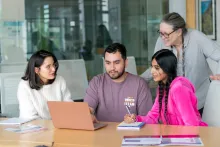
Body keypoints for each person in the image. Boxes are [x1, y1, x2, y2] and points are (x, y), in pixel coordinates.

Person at [141, 12, 220, 116]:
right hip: (172, 103)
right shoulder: (161, 41)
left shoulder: (196, 38)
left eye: (166, 34)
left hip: (198, 101)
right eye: (160, 33)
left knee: (197, 130)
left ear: (179, 31)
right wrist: (138, 80)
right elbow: (156, 67)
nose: (162, 37)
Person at [125, 49, 208, 126]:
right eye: (152, 67)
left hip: (190, 138)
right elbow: (153, 117)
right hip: (173, 137)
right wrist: (135, 119)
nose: (152, 71)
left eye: (157, 68)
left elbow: (191, 124)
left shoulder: (179, 88)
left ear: (167, 68)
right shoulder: (162, 88)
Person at [84, 43, 153, 122]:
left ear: (126, 62)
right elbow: (87, 110)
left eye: (116, 62)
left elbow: (148, 120)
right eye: (108, 63)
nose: (112, 67)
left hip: (130, 133)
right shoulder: (96, 82)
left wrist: (135, 119)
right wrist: (88, 115)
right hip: (102, 133)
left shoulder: (140, 84)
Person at [17, 50, 73, 120]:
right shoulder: (24, 86)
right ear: (36, 70)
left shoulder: (60, 80)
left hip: (59, 126)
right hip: (34, 128)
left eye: (54, 65)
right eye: (48, 67)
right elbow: (30, 118)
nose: (53, 69)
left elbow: (69, 106)